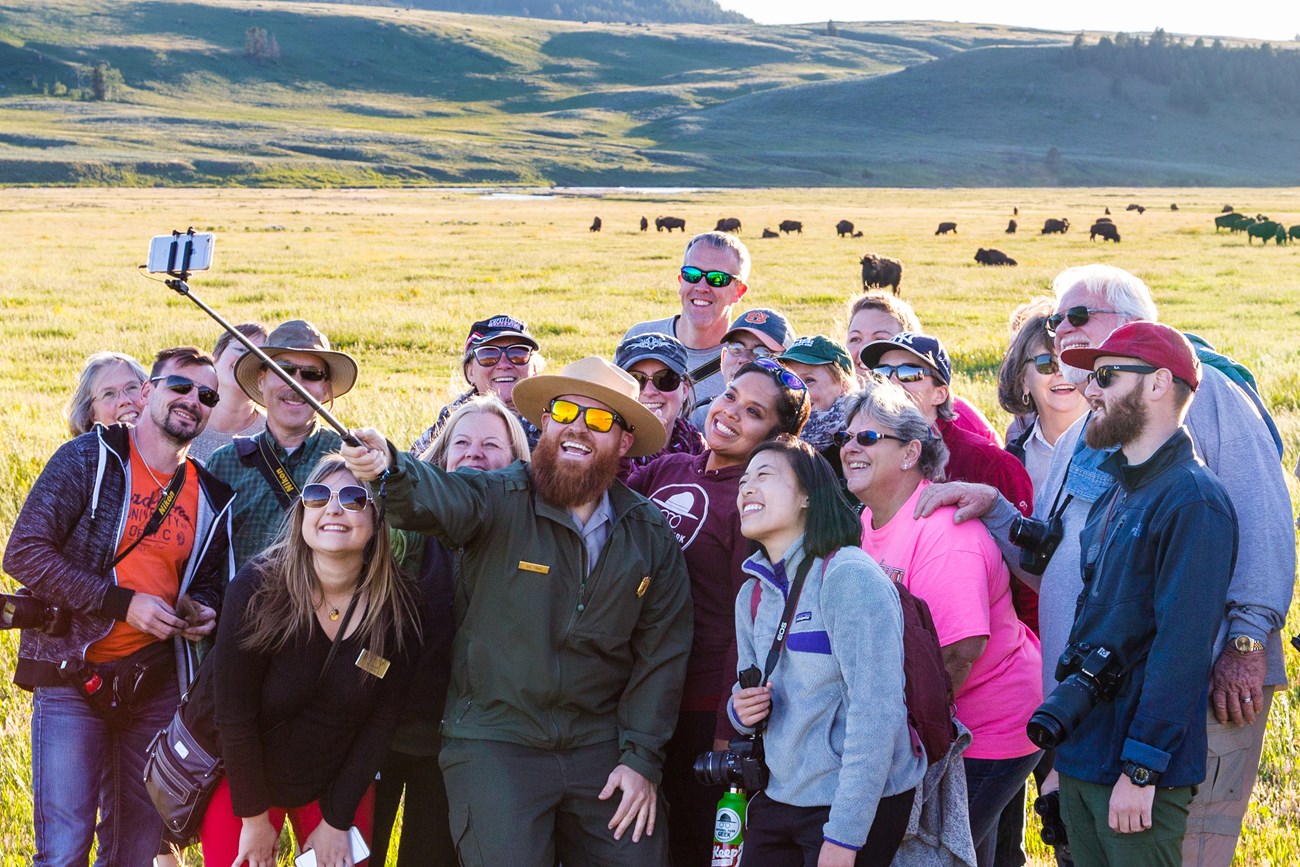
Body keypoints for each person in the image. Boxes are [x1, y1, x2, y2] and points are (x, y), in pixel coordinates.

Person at [915, 264, 1295, 867]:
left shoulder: (1209, 398)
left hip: (1182, 694)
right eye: (1056, 317)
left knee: (1180, 843)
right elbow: (1060, 564)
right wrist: (995, 511)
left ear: (1139, 324)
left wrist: (1245, 644)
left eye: (1079, 315)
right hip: (1091, 707)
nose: (1060, 327)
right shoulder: (1086, 433)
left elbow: (1263, 527)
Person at [339, 357, 693, 867]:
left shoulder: (649, 533)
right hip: (495, 740)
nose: (577, 426)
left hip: (600, 747)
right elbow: (438, 496)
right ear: (544, 422)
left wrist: (640, 759)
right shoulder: (499, 496)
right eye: (565, 411)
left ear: (624, 441)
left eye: (598, 419)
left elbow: (663, 654)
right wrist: (391, 465)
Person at [5, 347, 234, 867]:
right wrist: (120, 604)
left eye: (207, 395)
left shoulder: (212, 495)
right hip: (70, 676)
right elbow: (24, 551)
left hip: (151, 685)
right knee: (64, 847)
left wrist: (201, 608)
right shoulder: (89, 457)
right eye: (180, 386)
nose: (192, 401)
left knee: (135, 849)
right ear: (148, 392)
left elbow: (211, 583)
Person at [1049, 322, 1237, 864]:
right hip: (1086, 756)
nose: (1089, 391)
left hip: (1136, 775)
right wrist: (1066, 757)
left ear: (1158, 384)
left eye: (1105, 377)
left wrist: (1143, 766)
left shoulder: (1193, 501)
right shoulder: (1118, 491)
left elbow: (1182, 648)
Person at [841, 381, 1042, 867]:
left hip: (988, 726)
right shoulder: (868, 518)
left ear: (911, 452)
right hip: (940, 724)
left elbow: (960, 650)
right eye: (847, 438)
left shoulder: (944, 531)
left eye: (867, 438)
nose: (849, 448)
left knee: (939, 853)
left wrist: (908, 737)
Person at [627, 358, 811, 867]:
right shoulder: (670, 467)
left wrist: (728, 735)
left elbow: (747, 619)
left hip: (702, 702)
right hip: (636, 689)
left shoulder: (750, 502)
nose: (729, 412)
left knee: (695, 841)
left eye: (753, 412)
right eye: (730, 395)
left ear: (775, 438)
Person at [200, 455, 425, 867]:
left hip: (334, 780)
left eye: (354, 498)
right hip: (246, 774)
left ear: (376, 518)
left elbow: (381, 723)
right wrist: (253, 819)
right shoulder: (256, 588)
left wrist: (337, 820)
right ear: (302, 513)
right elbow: (233, 715)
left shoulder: (399, 608)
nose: (333, 509)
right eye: (318, 496)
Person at [728, 436, 926, 867]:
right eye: (743, 480)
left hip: (849, 802)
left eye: (764, 475)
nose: (746, 488)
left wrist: (844, 836)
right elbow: (748, 701)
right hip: (779, 794)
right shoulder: (751, 596)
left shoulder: (849, 576)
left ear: (806, 497)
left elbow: (877, 715)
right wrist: (739, 710)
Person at [371, 396, 529, 867]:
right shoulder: (404, 526)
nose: (474, 453)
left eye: (490, 444)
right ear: (441, 456)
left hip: (457, 745)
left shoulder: (524, 534)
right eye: (462, 442)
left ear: (517, 460)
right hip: (380, 728)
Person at [206, 319, 359, 568]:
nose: (296, 383)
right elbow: (206, 559)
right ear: (261, 379)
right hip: (242, 606)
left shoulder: (349, 460)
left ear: (326, 390)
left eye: (311, 374)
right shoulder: (223, 463)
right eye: (284, 370)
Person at [623, 231, 751, 420]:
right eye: (692, 275)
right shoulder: (641, 337)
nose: (701, 287)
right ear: (681, 281)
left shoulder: (743, 360)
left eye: (717, 279)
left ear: (738, 291)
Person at [845, 291, 1001, 444]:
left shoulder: (956, 418)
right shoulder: (842, 406)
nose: (863, 347)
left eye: (879, 338)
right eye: (855, 339)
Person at [410, 314, 545, 455]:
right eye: (488, 356)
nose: (504, 365)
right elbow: (415, 467)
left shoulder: (555, 420)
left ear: (534, 368)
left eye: (517, 354)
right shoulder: (451, 419)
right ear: (470, 372)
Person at [997, 299, 1088, 492]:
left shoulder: (1124, 451)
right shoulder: (1008, 464)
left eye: (1071, 360)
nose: (1061, 373)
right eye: (1046, 363)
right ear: (1023, 380)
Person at [612, 331, 704, 480]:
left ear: (685, 390)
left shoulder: (699, 447)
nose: (649, 391)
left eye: (665, 379)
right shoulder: (605, 450)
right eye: (635, 380)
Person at [690, 307, 795, 427]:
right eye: (736, 348)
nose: (744, 358)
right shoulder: (696, 420)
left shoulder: (802, 429)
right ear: (723, 358)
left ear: (789, 368)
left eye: (762, 352)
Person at [188, 322, 268, 462]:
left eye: (257, 355)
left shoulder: (272, 433)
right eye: (241, 350)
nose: (245, 360)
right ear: (215, 356)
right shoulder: (182, 420)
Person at [778, 335, 858, 451]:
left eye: (809, 380)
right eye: (789, 380)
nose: (796, 390)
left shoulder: (856, 441)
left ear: (844, 385)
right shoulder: (771, 436)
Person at [64, 350, 148, 436]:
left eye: (132, 388)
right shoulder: (79, 449)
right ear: (92, 414)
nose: (124, 400)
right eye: (109, 394)